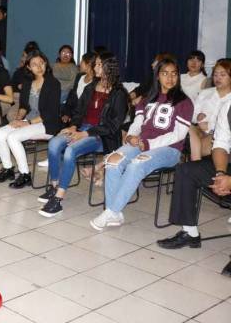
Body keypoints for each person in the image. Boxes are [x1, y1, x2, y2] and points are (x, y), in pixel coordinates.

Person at [90, 57, 193, 230]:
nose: (170, 78)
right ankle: (114, 213)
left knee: (136, 165)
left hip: (169, 150)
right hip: (142, 143)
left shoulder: (184, 102)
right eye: (165, 73)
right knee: (112, 161)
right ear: (157, 76)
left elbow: (178, 134)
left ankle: (111, 211)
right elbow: (138, 122)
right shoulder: (148, 98)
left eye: (174, 74)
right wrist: (131, 136)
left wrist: (149, 143)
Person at [37, 53, 128, 217]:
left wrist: (85, 133)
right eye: (96, 64)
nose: (95, 67)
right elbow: (78, 112)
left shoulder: (119, 94)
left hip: (102, 136)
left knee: (70, 151)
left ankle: (58, 199)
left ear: (109, 68)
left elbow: (113, 126)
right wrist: (73, 126)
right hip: (82, 129)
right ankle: (54, 186)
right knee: (54, 144)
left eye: (99, 64)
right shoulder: (90, 87)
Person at [156, 100, 231, 252]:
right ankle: (190, 232)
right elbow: (221, 144)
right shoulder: (229, 105)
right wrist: (220, 174)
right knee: (186, 170)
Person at [0, 51, 61, 188]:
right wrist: (18, 119)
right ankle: (8, 169)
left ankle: (25, 175)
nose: (39, 67)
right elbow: (24, 106)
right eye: (34, 64)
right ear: (29, 67)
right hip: (29, 121)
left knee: (13, 137)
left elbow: (50, 112)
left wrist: (27, 123)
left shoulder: (53, 83)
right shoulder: (28, 83)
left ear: (46, 63)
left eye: (41, 63)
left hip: (47, 123)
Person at [189, 60, 231, 160]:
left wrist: (210, 126)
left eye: (222, 75)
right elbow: (193, 115)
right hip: (198, 131)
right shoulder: (205, 93)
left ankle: (195, 161)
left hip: (219, 134)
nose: (218, 78)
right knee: (188, 127)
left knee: (200, 144)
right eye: (215, 75)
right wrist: (197, 117)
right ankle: (195, 162)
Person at [61, 52, 96, 124]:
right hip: (72, 115)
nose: (79, 64)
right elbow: (71, 97)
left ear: (88, 64)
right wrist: (67, 114)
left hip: (84, 119)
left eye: (82, 61)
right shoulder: (79, 76)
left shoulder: (96, 82)